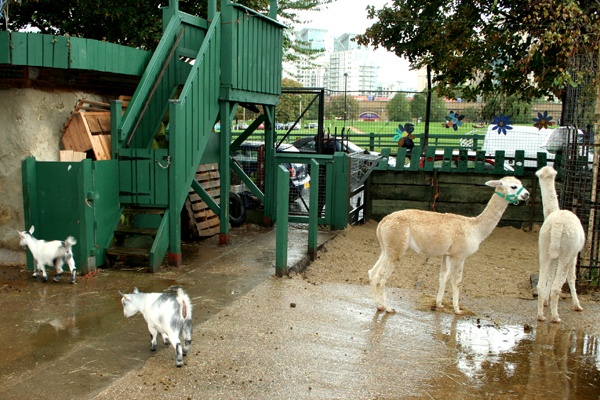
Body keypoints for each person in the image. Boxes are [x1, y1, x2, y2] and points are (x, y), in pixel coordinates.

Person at [314, 132, 340, 217]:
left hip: (326, 173)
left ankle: (319, 215)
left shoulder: (330, 145)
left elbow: (319, 149)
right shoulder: (335, 143)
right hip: (331, 173)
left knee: (322, 195)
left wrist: (318, 143)